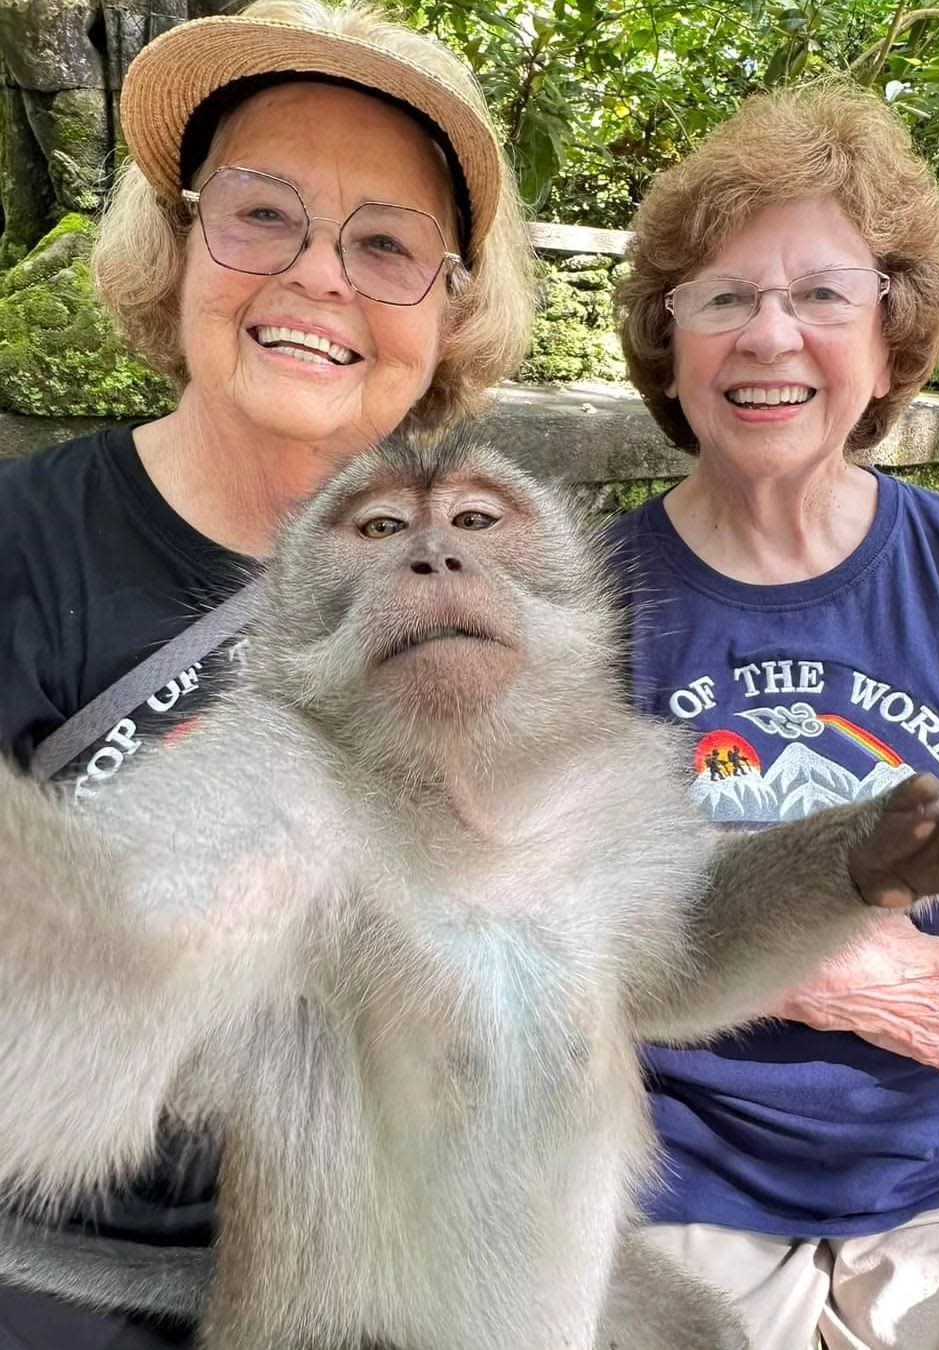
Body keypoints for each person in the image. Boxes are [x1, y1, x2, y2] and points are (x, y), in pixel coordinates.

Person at [0, 0, 534, 1343]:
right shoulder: (27, 546)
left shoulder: (483, 589)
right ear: (182, 245)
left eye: (387, 245)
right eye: (261, 216)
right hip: (53, 1260)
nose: (318, 279)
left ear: (449, 308)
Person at [612, 82, 939, 1350]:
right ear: (672, 340)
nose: (770, 336)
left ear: (891, 336)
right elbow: (523, 921)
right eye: (721, 297)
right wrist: (803, 963)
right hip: (665, 1192)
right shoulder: (581, 601)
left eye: (822, 294)